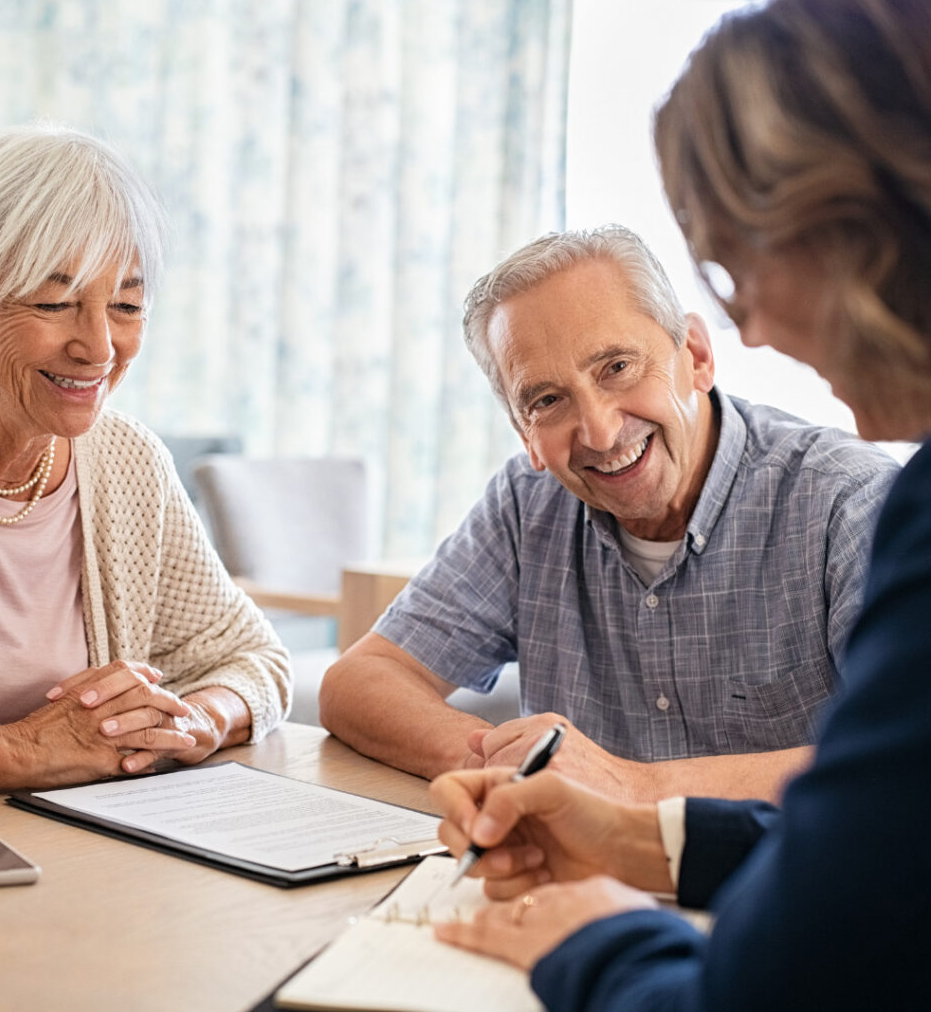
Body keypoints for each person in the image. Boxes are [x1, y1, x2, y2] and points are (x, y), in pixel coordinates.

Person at [431, 0, 931, 1008]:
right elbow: (893, 835)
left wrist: (602, 938)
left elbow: (776, 983)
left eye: (735, 256)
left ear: (849, 225)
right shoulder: (527, 504)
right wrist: (637, 838)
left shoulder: (877, 502)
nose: (744, 318)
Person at [319, 224, 897, 802]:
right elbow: (358, 682)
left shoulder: (850, 501)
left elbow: (906, 757)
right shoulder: (528, 504)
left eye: (617, 367)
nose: (599, 431)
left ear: (695, 356)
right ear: (526, 434)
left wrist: (629, 786)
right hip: (575, 887)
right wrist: (516, 766)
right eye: (547, 400)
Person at [0, 125, 291, 805]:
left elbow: (252, 660)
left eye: (126, 306)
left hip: (84, 858)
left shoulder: (127, 461)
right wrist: (27, 749)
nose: (99, 347)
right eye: (54, 303)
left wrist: (197, 719)